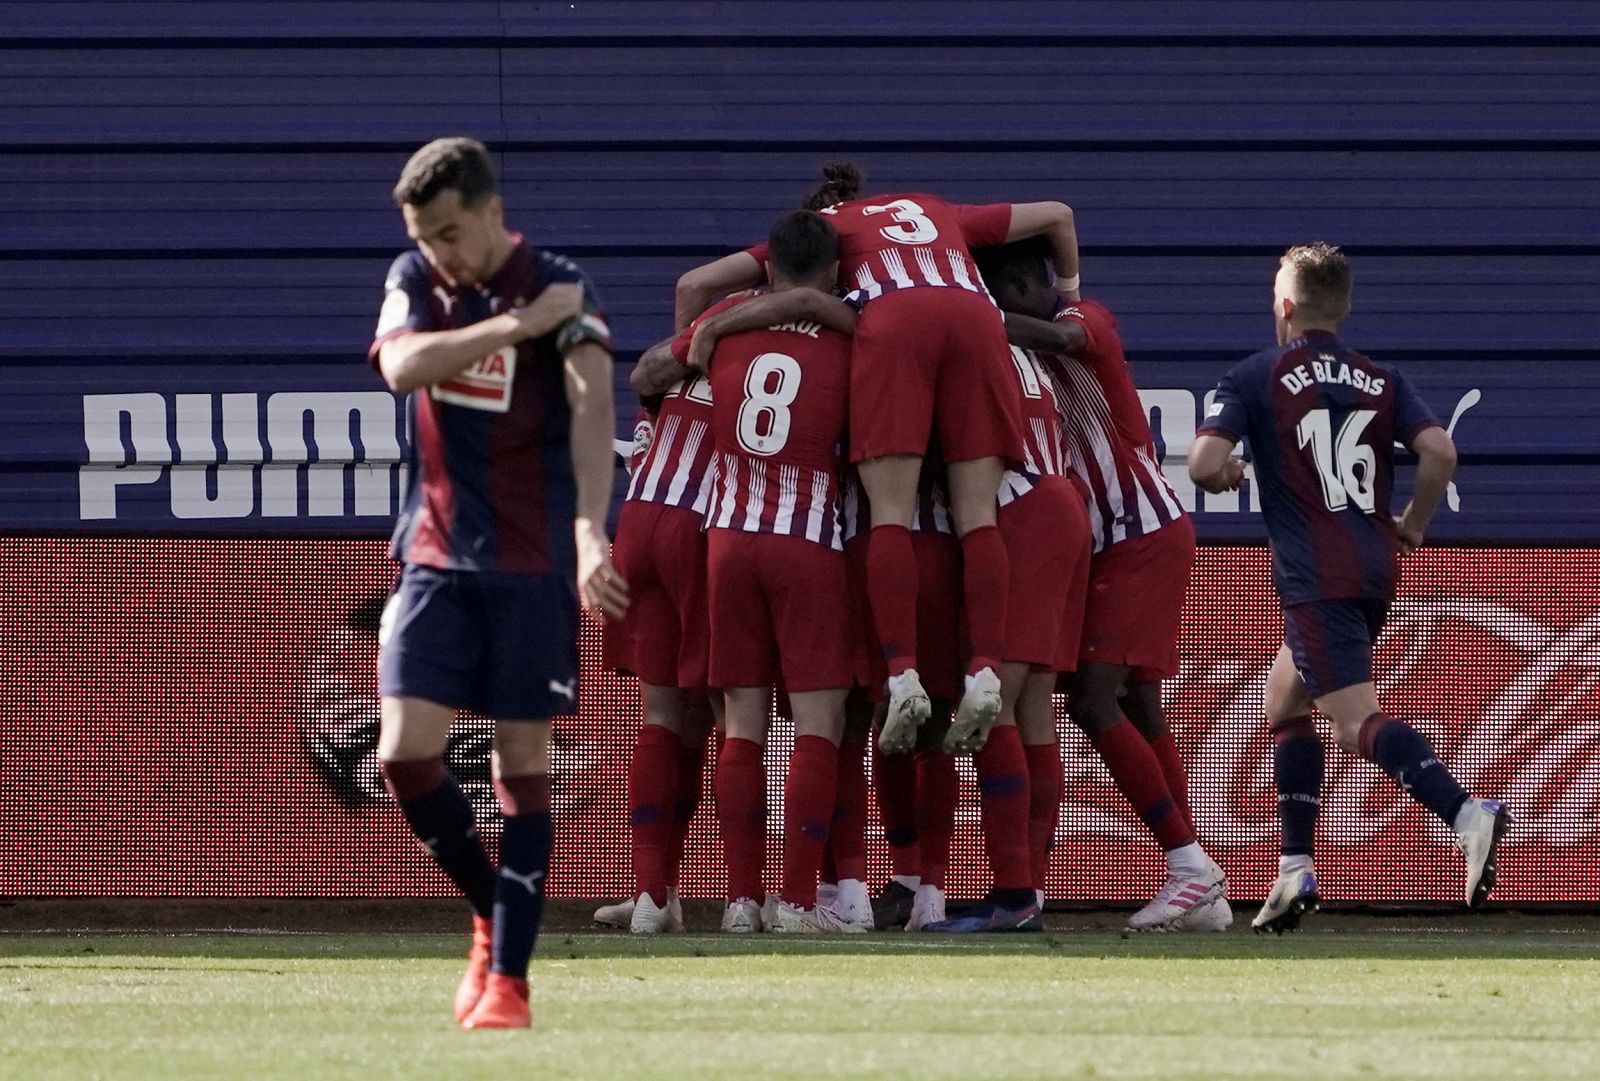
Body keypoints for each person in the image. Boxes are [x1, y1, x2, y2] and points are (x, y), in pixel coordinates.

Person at [675, 163, 1080, 763]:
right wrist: (1071, 295)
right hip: (976, 320)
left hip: (893, 325)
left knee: (890, 509)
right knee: (978, 515)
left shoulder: (829, 228)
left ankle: (902, 674)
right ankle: (987, 670)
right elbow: (1057, 214)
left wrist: (700, 345)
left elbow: (701, 281)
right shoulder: (937, 206)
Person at [368, 137, 625, 1027]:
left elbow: (595, 408)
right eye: (425, 236)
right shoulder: (423, 280)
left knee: (523, 765)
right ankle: (489, 906)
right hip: (435, 553)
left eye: (450, 231)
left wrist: (592, 530)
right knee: (403, 751)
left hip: (530, 564)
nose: (440, 249)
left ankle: (508, 979)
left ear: (489, 211)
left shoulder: (565, 285)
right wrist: (517, 325)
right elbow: (402, 367)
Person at [1188, 242, 1510, 934]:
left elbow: (1204, 462)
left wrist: (1224, 474)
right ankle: (1295, 866)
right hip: (1371, 566)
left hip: (1315, 573)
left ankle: (1464, 811)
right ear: (1345, 307)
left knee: (1353, 718)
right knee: (1284, 699)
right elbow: (1440, 452)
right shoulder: (1381, 378)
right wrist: (1414, 525)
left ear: (1283, 305)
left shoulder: (1257, 374)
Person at [980, 236, 1230, 932]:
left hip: (1136, 531)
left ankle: (1189, 867)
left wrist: (972, 316)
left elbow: (1063, 332)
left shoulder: (1087, 317)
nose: (997, 305)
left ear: (1033, 282)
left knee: (1091, 699)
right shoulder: (1017, 356)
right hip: (1110, 537)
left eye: (1004, 291)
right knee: (1139, 710)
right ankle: (1198, 882)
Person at [679, 209, 862, 932]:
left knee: (742, 726)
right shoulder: (855, 328)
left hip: (727, 539)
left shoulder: (725, 315)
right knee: (821, 719)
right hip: (808, 536)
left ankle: (739, 899)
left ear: (769, 266)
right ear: (835, 271)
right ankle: (794, 900)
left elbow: (665, 363)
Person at [587, 334, 723, 934]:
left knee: (668, 716)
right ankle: (764, 895)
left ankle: (653, 892)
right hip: (711, 530)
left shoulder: (678, 364)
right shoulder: (802, 348)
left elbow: (642, 379)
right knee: (732, 713)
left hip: (641, 521)